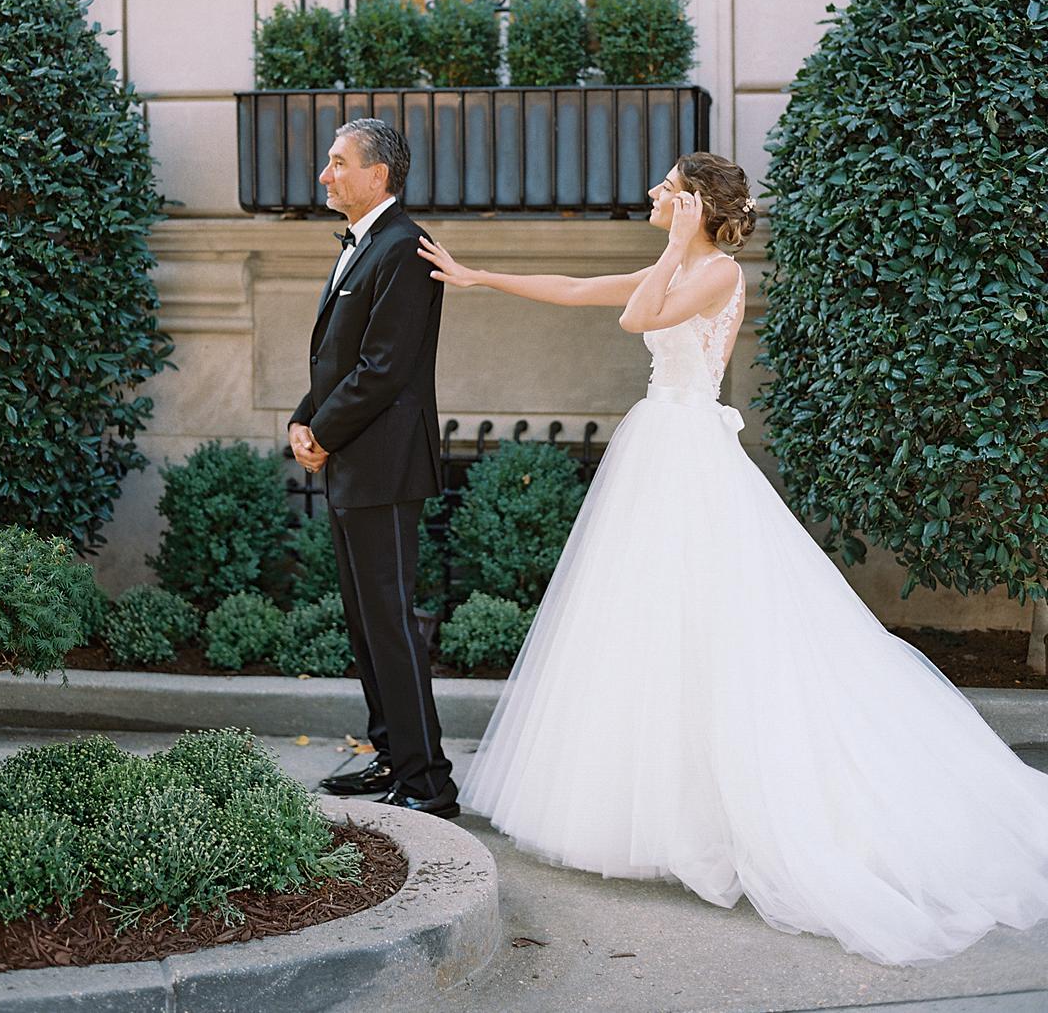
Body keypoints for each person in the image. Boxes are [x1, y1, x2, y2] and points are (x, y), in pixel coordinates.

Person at [416, 151, 1048, 964]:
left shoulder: (711, 275)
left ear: (697, 206)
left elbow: (634, 320)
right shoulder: (682, 265)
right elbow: (581, 293)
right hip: (661, 449)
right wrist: (477, 276)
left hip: (687, 455)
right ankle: (668, 811)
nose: (650, 195)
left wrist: (678, 246)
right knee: (654, 632)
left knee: (714, 629)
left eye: (667, 190)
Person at [289, 117, 458, 818]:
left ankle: (428, 784)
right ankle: (392, 756)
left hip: (385, 468)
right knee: (366, 623)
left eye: (337, 162)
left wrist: (322, 432)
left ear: (377, 175)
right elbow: (337, 356)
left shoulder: (405, 249)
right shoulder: (365, 243)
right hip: (353, 462)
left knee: (391, 623)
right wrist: (304, 418)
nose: (325, 174)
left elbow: (383, 368)